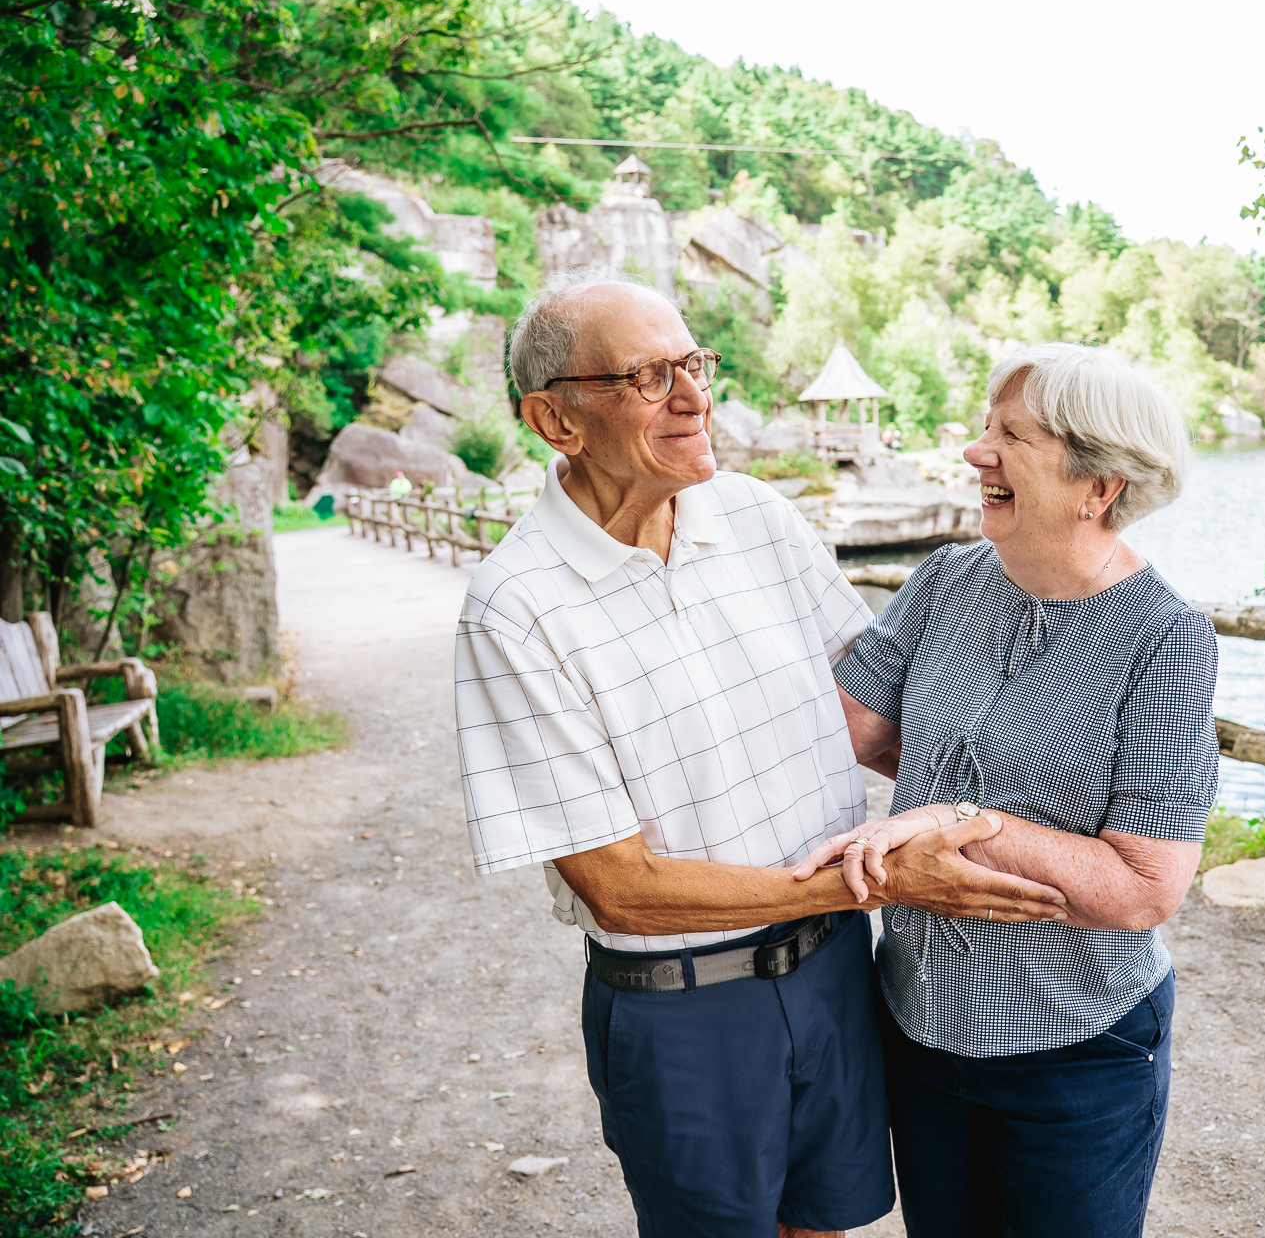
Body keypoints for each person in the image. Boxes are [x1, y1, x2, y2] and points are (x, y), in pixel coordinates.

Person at [453, 269, 1067, 1238]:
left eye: (694, 364)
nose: (694, 397)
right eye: (648, 377)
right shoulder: (517, 605)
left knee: (824, 1224)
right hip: (684, 1008)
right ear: (555, 420)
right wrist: (875, 885)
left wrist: (1064, 820)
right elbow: (620, 889)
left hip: (835, 972)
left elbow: (874, 715)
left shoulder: (754, 515)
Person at [796, 342, 1219, 1238]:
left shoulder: (1166, 638)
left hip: (1076, 1047)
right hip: (917, 1025)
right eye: (985, 428)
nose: (975, 452)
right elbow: (848, 734)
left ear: (1097, 485)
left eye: (1011, 437)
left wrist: (962, 820)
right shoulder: (946, 581)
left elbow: (1147, 889)